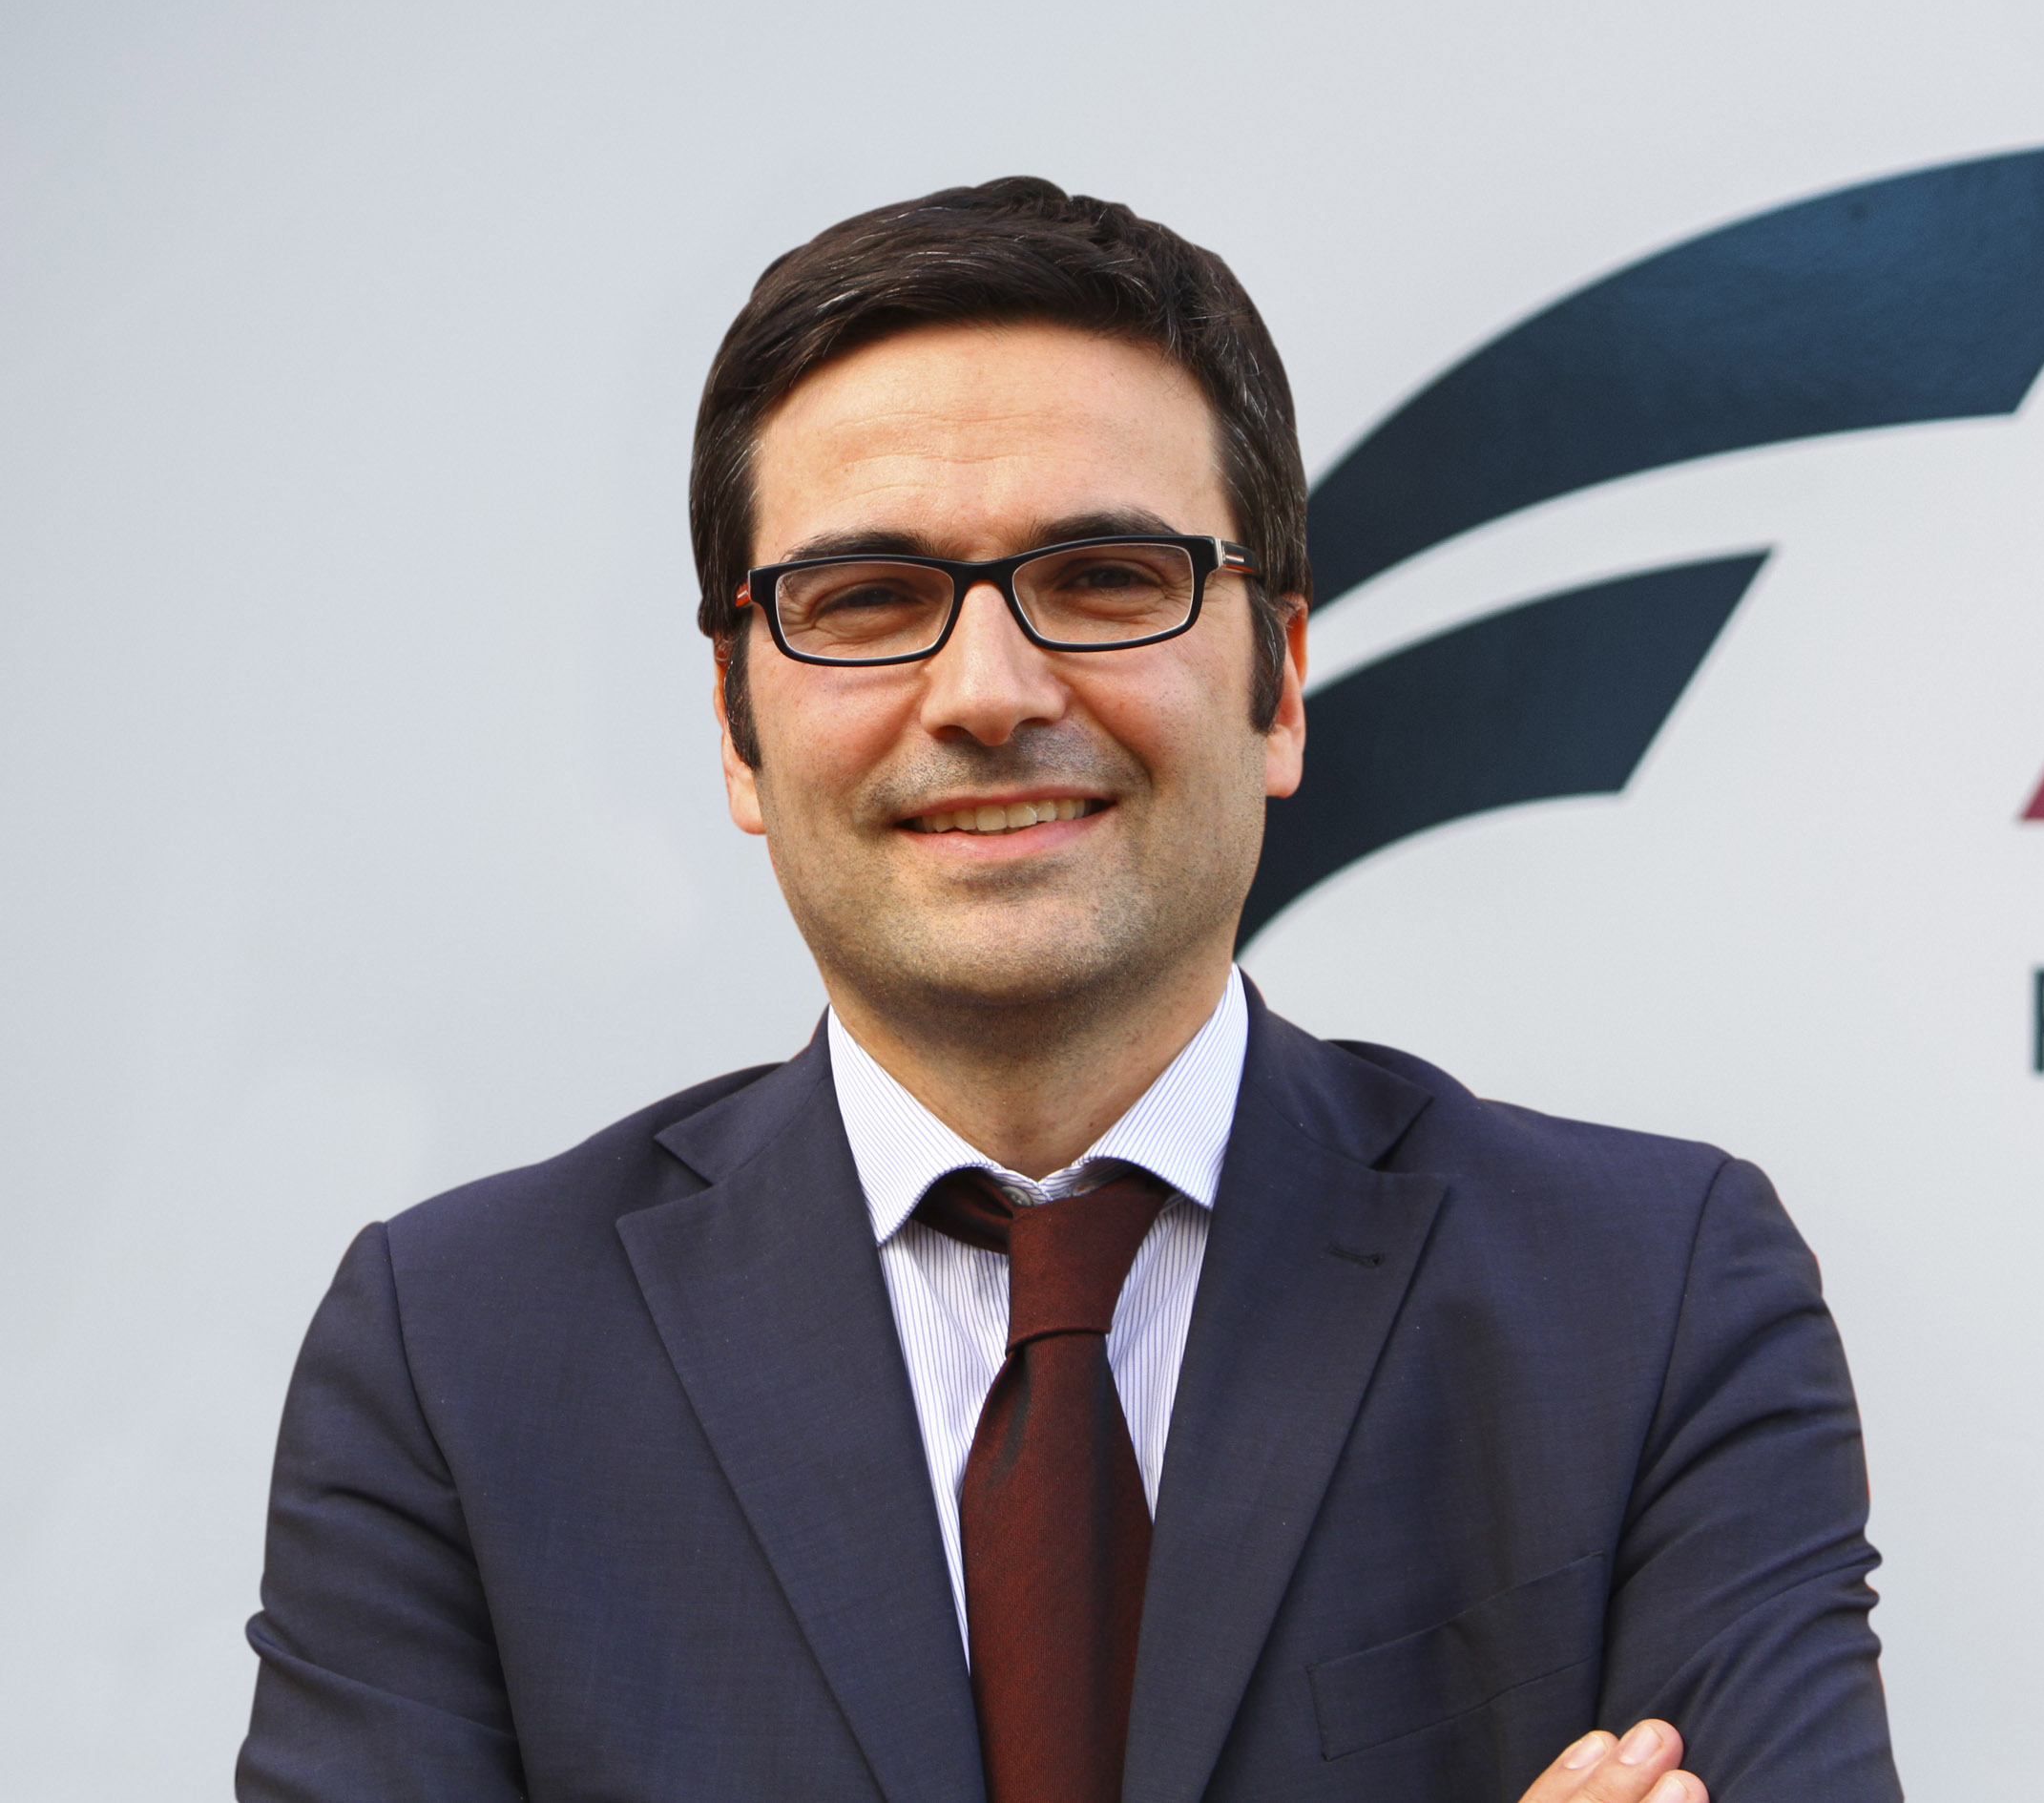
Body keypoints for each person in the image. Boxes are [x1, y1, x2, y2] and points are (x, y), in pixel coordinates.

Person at [236, 180, 1898, 1803]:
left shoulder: (1652, 1298)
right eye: (866, 600)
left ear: (1281, 685)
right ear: (737, 727)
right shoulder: (460, 1358)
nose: (988, 691)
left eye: (1105, 577)